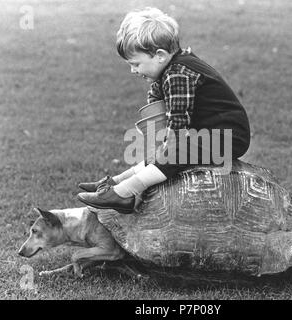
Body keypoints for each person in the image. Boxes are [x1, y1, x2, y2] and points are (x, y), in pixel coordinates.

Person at [77, 7, 250, 213]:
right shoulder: (171, 67)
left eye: (136, 63)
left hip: (227, 137)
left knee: (173, 152)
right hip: (207, 133)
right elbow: (158, 103)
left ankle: (125, 193)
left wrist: (165, 147)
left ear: (159, 55)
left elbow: (178, 121)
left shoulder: (178, 73)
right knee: (167, 151)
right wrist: (158, 140)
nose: (133, 70)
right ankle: (115, 183)